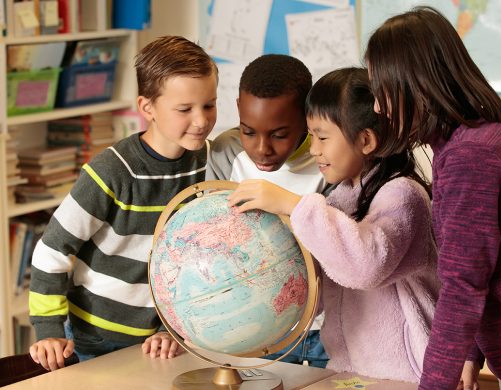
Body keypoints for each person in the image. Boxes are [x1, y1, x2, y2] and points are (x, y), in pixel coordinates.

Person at [365, 6, 501, 390]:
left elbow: (464, 284)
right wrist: (469, 354)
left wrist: (433, 384)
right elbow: (482, 261)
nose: (379, 107)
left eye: (383, 91)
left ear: (417, 85)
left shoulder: (472, 156)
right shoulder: (465, 144)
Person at [226, 67, 440, 382]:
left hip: (406, 375)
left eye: (322, 137)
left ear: (365, 140)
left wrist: (292, 204)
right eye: (311, 136)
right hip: (351, 372)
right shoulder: (340, 200)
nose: (314, 149)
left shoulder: (403, 195)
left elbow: (365, 266)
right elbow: (321, 289)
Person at [28, 35, 218, 371]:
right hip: (94, 337)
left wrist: (170, 329)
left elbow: (195, 262)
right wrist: (48, 330)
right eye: (185, 109)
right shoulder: (111, 171)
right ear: (147, 108)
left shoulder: (210, 163)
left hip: (164, 339)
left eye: (209, 104)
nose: (201, 120)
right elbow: (51, 251)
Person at [206, 54, 329, 368]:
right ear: (238, 109)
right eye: (249, 131)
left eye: (278, 134)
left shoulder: (328, 160)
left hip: (323, 329)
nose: (262, 149)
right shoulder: (226, 153)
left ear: (306, 115)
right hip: (256, 329)